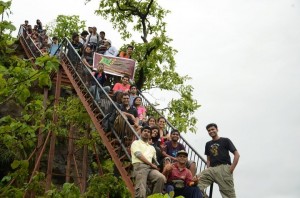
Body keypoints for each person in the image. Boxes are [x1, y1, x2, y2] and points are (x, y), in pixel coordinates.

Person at [197, 123, 240, 198]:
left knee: (229, 195)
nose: (211, 131)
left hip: (224, 168)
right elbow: (208, 159)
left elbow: (237, 155)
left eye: (212, 129)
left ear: (217, 129)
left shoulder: (225, 140)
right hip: (211, 169)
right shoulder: (208, 144)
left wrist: (231, 169)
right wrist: (208, 168)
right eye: (209, 130)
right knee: (195, 183)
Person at [131, 125, 166, 198]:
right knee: (141, 191)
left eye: (148, 132)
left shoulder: (152, 148)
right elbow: (138, 155)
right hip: (140, 166)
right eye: (145, 131)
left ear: (150, 135)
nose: (146, 133)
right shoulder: (136, 143)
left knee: (161, 178)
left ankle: (155, 197)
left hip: (150, 168)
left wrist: (155, 166)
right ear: (141, 132)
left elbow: (154, 161)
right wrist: (150, 164)